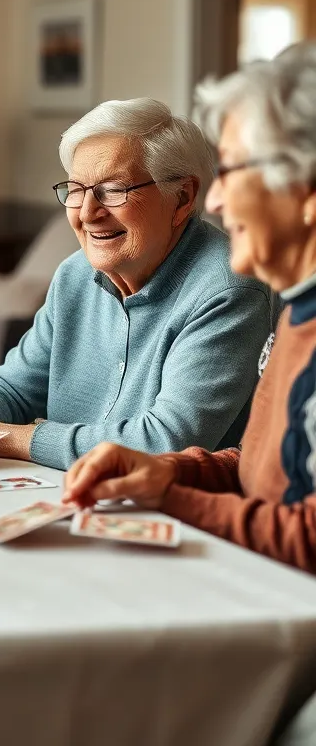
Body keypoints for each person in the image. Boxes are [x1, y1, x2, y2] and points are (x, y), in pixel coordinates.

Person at [0, 98, 274, 469]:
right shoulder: (74, 274)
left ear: (182, 198)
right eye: (76, 189)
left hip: (171, 514)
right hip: (63, 492)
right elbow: (18, 386)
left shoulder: (228, 290)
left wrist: (8, 438)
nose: (88, 213)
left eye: (114, 189)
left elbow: (166, 443)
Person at [64, 44, 316, 571]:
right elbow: (270, 470)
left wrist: (172, 497)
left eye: (234, 170)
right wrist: (175, 471)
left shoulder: (241, 289)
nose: (217, 201)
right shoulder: (297, 310)